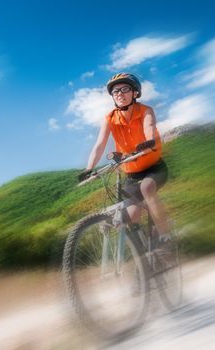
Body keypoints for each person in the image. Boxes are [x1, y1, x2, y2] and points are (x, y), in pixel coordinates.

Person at [78, 72, 174, 260]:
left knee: (147, 188)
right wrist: (88, 169)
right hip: (131, 173)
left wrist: (148, 142)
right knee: (132, 215)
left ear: (135, 93)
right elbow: (99, 145)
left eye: (125, 89)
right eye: (115, 91)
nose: (119, 93)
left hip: (154, 168)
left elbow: (149, 126)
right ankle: (143, 263)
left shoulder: (145, 110)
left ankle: (165, 238)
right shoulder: (110, 118)